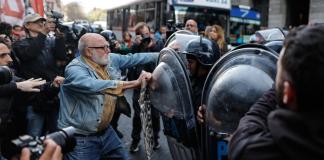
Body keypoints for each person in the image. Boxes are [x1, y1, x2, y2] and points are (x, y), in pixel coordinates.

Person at [229, 25, 324, 159]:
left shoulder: (258, 151)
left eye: (278, 70)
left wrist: (280, 85)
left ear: (288, 94)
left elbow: (244, 135)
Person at [57, 33, 158, 160]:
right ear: (89, 51)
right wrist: (134, 83)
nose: (108, 50)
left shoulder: (109, 59)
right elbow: (92, 85)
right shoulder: (75, 68)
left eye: (108, 46)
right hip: (81, 138)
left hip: (106, 132)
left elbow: (135, 58)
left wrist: (165, 54)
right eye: (103, 47)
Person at [12, 13, 67, 137]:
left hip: (53, 91)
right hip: (34, 95)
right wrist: (43, 34)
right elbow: (29, 54)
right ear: (27, 25)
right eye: (37, 22)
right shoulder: (20, 44)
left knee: (56, 134)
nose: (42, 24)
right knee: (34, 135)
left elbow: (61, 57)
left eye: (42, 21)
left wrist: (59, 38)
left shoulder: (50, 41)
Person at [128, 22, 163, 153]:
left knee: (154, 115)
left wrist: (152, 47)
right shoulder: (135, 46)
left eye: (147, 34)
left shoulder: (156, 44)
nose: (146, 37)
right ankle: (135, 141)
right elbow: (129, 60)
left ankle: (155, 139)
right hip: (139, 85)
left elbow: (160, 58)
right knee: (138, 116)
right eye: (142, 35)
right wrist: (136, 45)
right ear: (137, 35)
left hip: (153, 86)